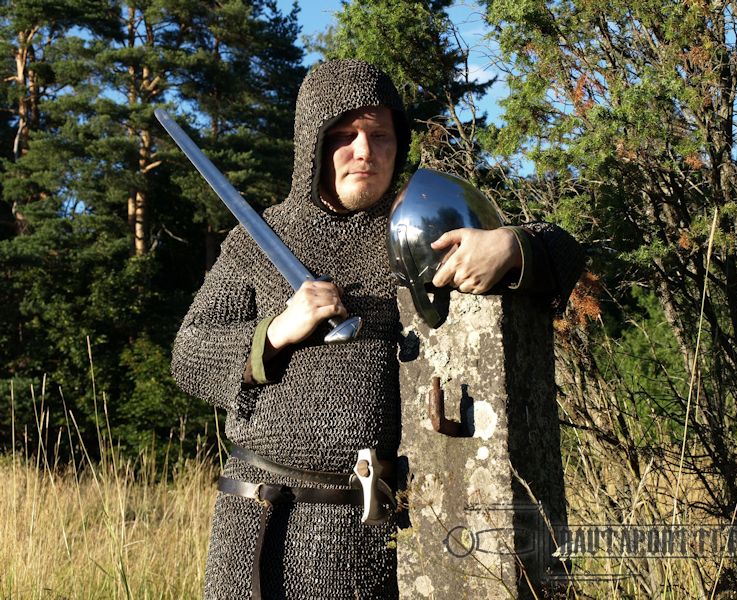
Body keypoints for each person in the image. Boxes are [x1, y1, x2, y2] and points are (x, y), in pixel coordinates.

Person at [171, 59, 584, 600]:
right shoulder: (259, 239)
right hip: (260, 525)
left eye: (379, 135)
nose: (364, 151)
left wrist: (511, 245)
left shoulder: (418, 228)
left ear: (398, 143)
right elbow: (189, 355)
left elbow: (565, 252)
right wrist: (276, 331)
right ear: (312, 145)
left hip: (371, 532)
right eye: (344, 136)